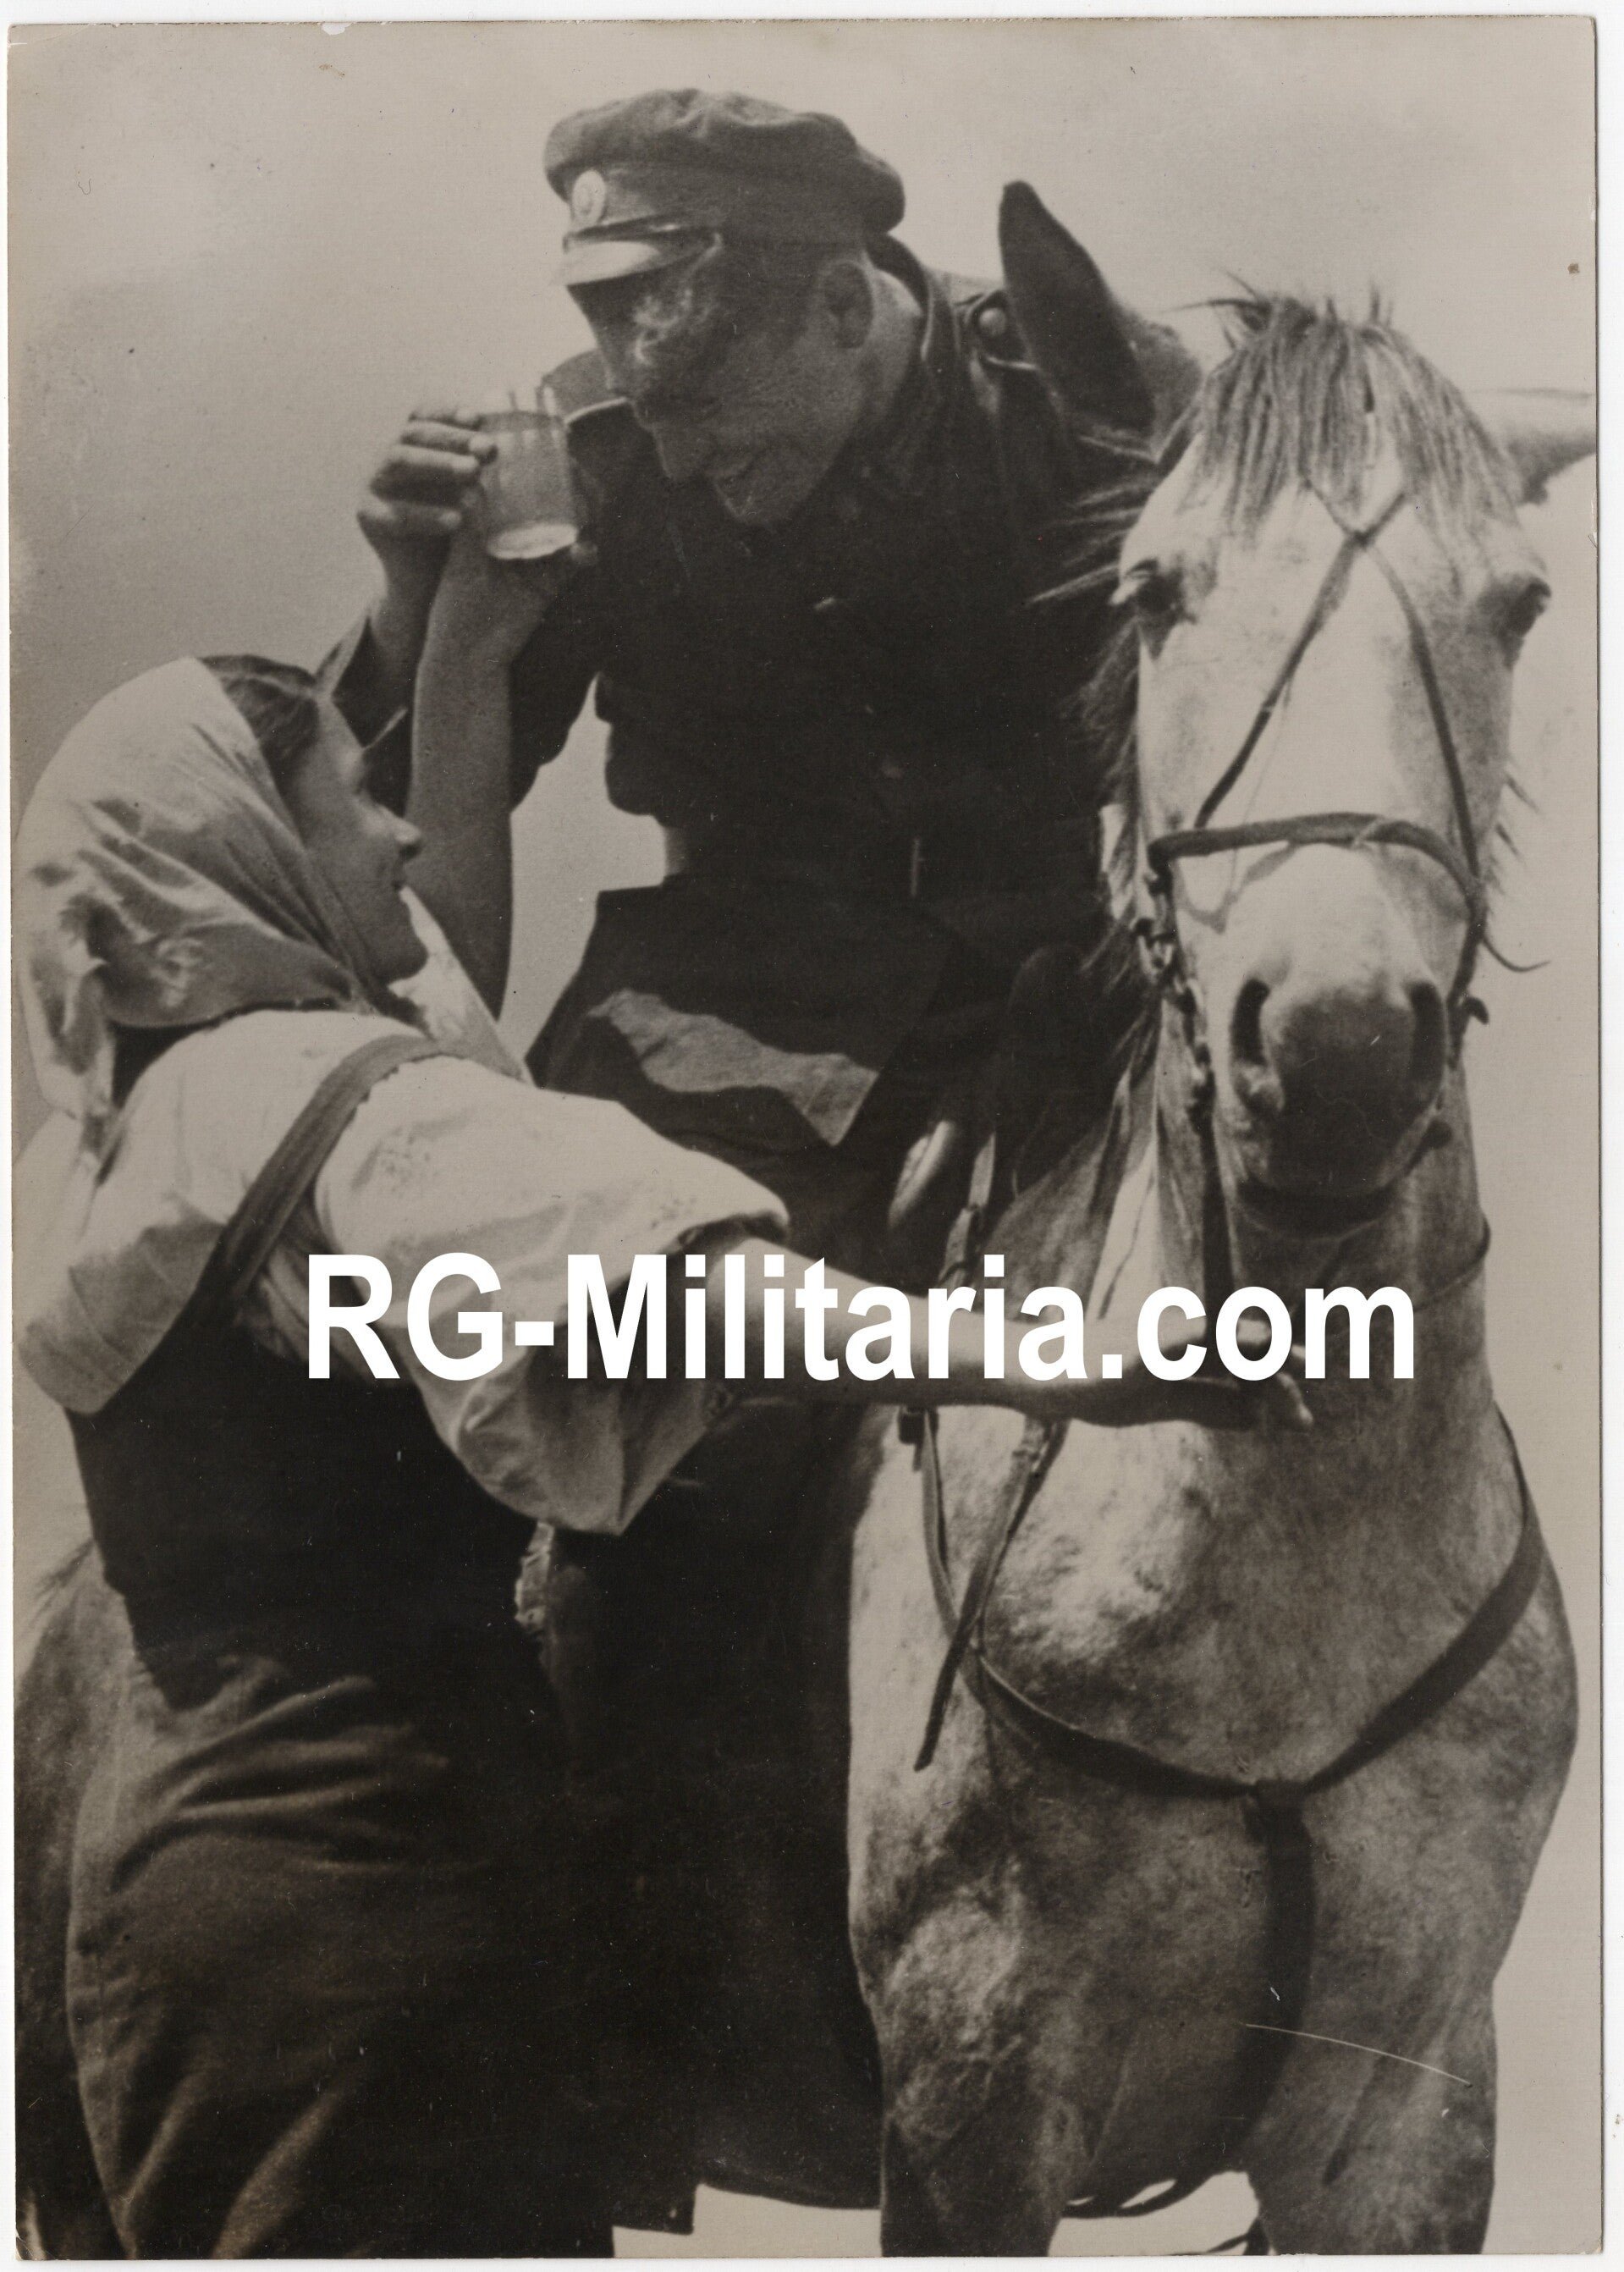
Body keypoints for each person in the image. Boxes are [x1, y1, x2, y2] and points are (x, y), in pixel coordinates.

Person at [14, 538, 1292, 2257]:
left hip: (167, 1902)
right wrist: (1063, 1363)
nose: (398, 833)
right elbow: (689, 1293)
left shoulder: (112, 1141)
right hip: (370, 1901)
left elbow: (430, 993)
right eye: (348, 802)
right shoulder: (355, 1118)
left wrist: (466, 653)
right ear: (244, 851)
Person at [331, 86, 1198, 1278]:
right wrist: (406, 602)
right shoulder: (592, 453)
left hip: (1065, 990)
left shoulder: (1074, 398)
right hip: (725, 1016)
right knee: (606, 1328)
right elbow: (369, 845)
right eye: (650, 414)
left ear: (842, 305)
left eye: (704, 411)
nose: (676, 462)